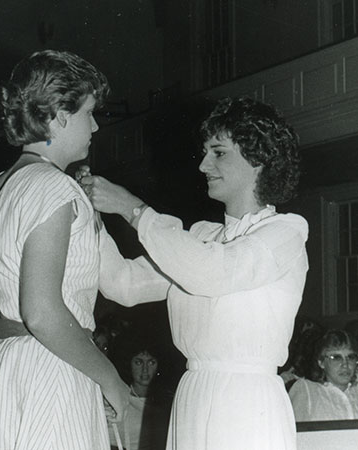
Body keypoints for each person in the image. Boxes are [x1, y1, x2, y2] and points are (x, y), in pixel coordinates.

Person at [80, 97, 309, 449]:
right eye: (204, 153)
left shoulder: (284, 233)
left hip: (246, 404)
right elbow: (123, 284)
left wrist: (132, 209)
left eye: (218, 153)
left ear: (258, 160)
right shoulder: (202, 238)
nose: (203, 165)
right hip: (193, 395)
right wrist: (90, 215)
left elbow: (211, 273)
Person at [0, 50, 129, 450]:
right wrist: (109, 378)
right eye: (89, 113)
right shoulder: (53, 187)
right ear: (58, 116)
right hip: (50, 370)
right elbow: (43, 313)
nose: (96, 126)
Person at [108, 332, 171, 450]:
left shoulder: (168, 402)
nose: (145, 369)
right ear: (128, 363)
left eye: (151, 362)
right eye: (139, 362)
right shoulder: (117, 399)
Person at [289, 329, 358, 421]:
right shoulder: (307, 390)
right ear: (321, 362)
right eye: (336, 357)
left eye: (351, 357)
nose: (345, 364)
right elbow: (296, 432)